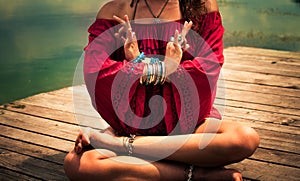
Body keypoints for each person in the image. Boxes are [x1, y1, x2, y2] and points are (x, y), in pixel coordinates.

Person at [64, 0, 260, 180]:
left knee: (245, 139)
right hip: (132, 127)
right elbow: (96, 71)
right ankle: (199, 175)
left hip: (188, 127)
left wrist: (139, 66)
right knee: (76, 165)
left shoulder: (203, 7)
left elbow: (208, 67)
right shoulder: (114, 12)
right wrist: (165, 68)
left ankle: (121, 145)